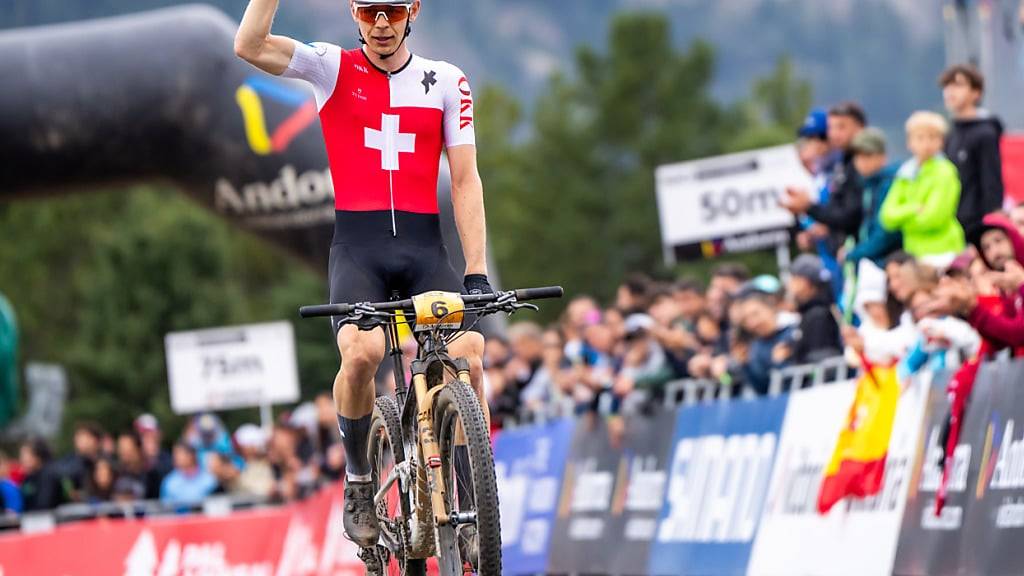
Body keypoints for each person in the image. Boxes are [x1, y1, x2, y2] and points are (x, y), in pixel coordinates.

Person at [235, 0, 490, 546]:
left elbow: (465, 180)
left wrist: (477, 272)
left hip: (426, 249)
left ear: (412, 11)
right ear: (354, 13)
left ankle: (476, 502)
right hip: (359, 249)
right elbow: (249, 46)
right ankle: (357, 479)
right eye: (370, 10)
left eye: (392, 11)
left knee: (469, 354)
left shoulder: (447, 80)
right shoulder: (332, 66)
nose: (381, 22)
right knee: (363, 354)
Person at [782, 102, 868, 299]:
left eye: (819, 137)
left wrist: (812, 211)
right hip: (832, 256)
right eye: (809, 139)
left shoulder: (849, 167)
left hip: (851, 251)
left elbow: (848, 214)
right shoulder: (823, 174)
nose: (815, 144)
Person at [879, 111, 965, 268]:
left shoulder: (945, 171)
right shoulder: (905, 173)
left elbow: (933, 218)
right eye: (920, 137)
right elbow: (886, 217)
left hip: (944, 253)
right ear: (909, 142)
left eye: (933, 137)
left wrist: (902, 220)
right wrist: (913, 209)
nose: (926, 144)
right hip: (913, 253)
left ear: (941, 141)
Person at [939, 64, 1005, 232]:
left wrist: (993, 222)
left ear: (976, 93)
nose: (950, 91)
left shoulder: (986, 133)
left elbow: (992, 181)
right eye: (947, 85)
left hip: (976, 224)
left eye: (958, 85)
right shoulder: (950, 133)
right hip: (952, 225)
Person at [845, 128, 902, 268]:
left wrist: (855, 253)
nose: (861, 162)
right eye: (857, 156)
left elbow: (885, 233)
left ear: (882, 156)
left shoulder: (890, 183)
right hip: (874, 260)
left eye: (867, 155)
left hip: (889, 261)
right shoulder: (868, 184)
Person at [781, 255, 843, 364]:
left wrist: (789, 356)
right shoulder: (810, 312)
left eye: (794, 278)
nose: (789, 284)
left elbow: (819, 357)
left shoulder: (818, 315)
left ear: (806, 282)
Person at [160, 443, 217, 508]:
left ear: (191, 456)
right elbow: (165, 508)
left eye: (179, 454)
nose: (175, 458)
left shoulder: (209, 479)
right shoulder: (169, 481)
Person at [134, 414, 172, 499]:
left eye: (149, 433)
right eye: (142, 435)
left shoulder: (167, 459)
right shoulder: (135, 459)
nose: (146, 438)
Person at [19, 438, 62, 512]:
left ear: (38, 456)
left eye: (25, 455)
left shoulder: (49, 474)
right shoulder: (29, 477)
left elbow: (44, 505)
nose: (22, 459)